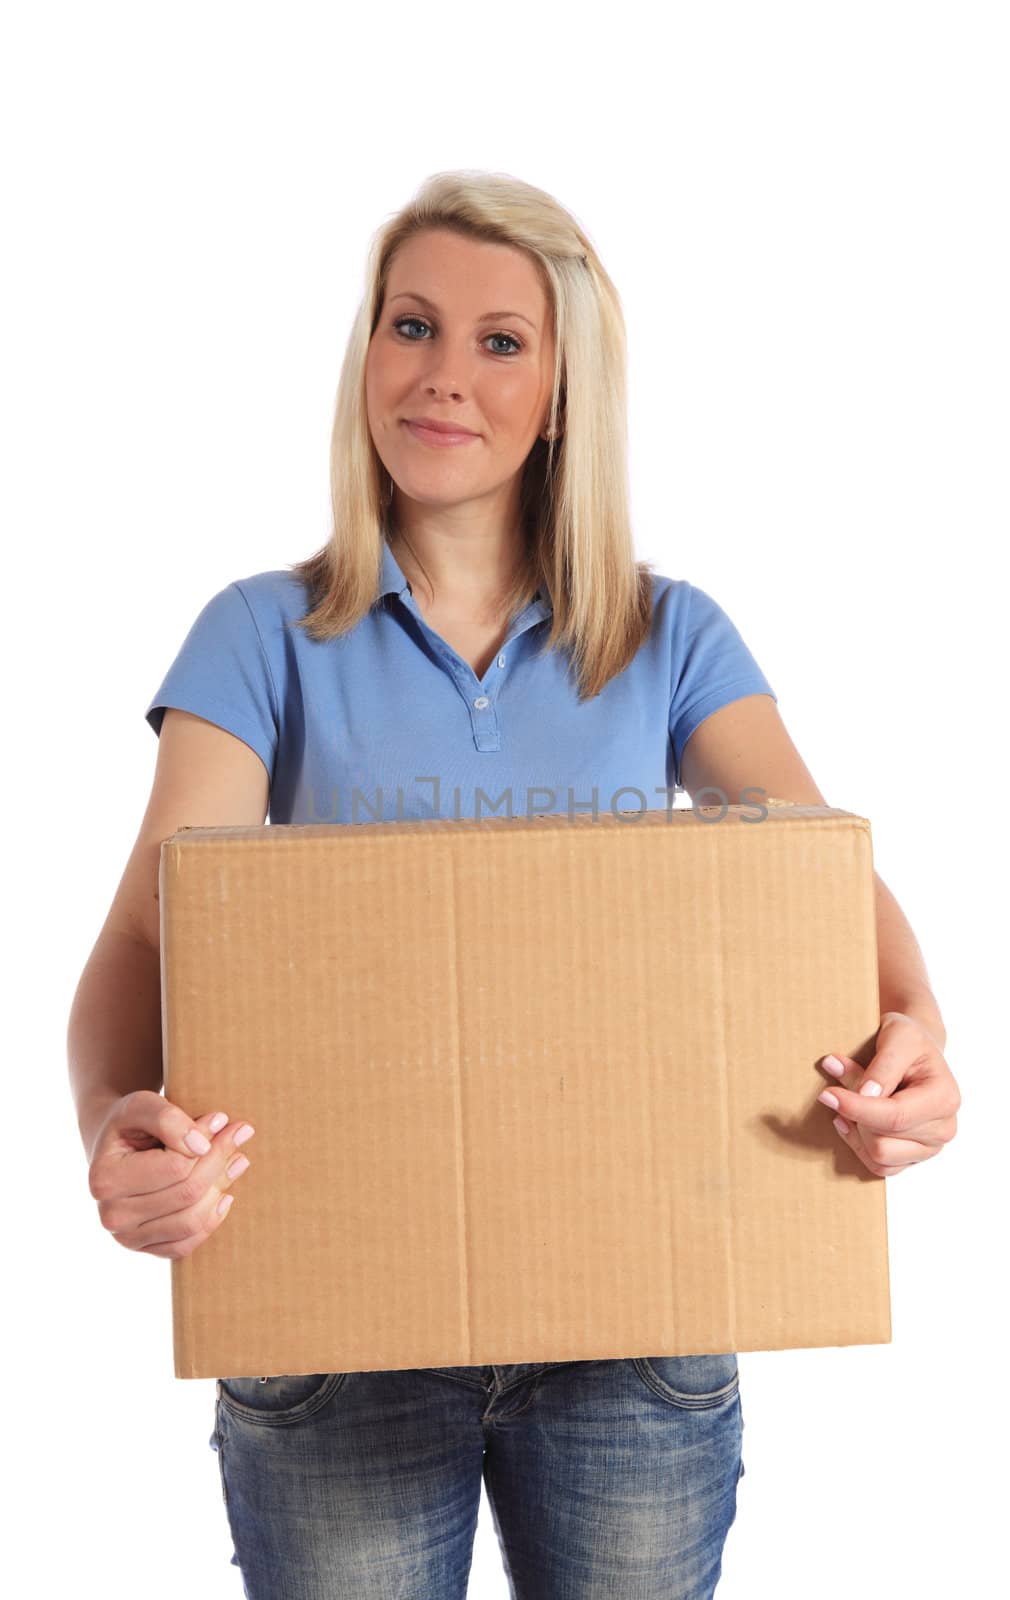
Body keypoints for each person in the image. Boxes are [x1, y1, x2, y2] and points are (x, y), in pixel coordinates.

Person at [68, 170, 959, 1599]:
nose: (440, 375)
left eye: (500, 342)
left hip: (635, 1325)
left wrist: (915, 1031)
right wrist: (116, 1123)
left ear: (561, 395)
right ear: (366, 353)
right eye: (409, 324)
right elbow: (144, 932)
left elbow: (820, 867)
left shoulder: (668, 639)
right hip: (336, 1327)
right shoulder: (263, 637)